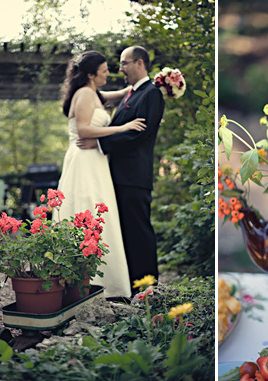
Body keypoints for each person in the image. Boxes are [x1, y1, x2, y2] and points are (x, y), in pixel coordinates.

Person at [58, 50, 146, 298]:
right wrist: (123, 127)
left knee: (100, 214)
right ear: (90, 74)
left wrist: (153, 83)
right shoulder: (85, 94)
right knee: (87, 210)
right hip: (85, 161)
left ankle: (104, 284)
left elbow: (124, 94)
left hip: (95, 162)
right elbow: (84, 130)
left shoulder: (94, 93)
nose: (110, 73)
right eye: (105, 70)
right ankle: (87, 283)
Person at [77, 46, 165, 293]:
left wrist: (100, 142)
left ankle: (148, 288)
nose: (121, 69)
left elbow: (139, 135)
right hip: (117, 175)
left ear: (139, 63)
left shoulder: (151, 93)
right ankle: (131, 285)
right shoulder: (131, 94)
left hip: (134, 176)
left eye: (124, 63)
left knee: (139, 231)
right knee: (125, 232)